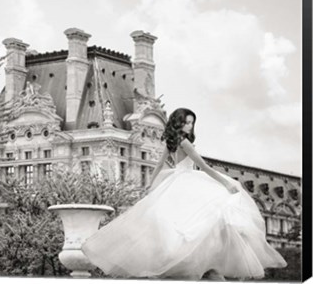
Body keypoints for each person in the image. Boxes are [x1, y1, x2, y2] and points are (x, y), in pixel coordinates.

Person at [81, 108, 287, 281]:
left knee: (181, 226)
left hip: (173, 181)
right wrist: (226, 183)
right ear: (180, 123)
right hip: (188, 179)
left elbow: (159, 164)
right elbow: (204, 167)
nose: (190, 126)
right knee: (210, 218)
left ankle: (192, 265)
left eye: (192, 123)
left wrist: (149, 186)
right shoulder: (185, 143)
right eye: (188, 122)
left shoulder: (170, 142)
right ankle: (207, 264)